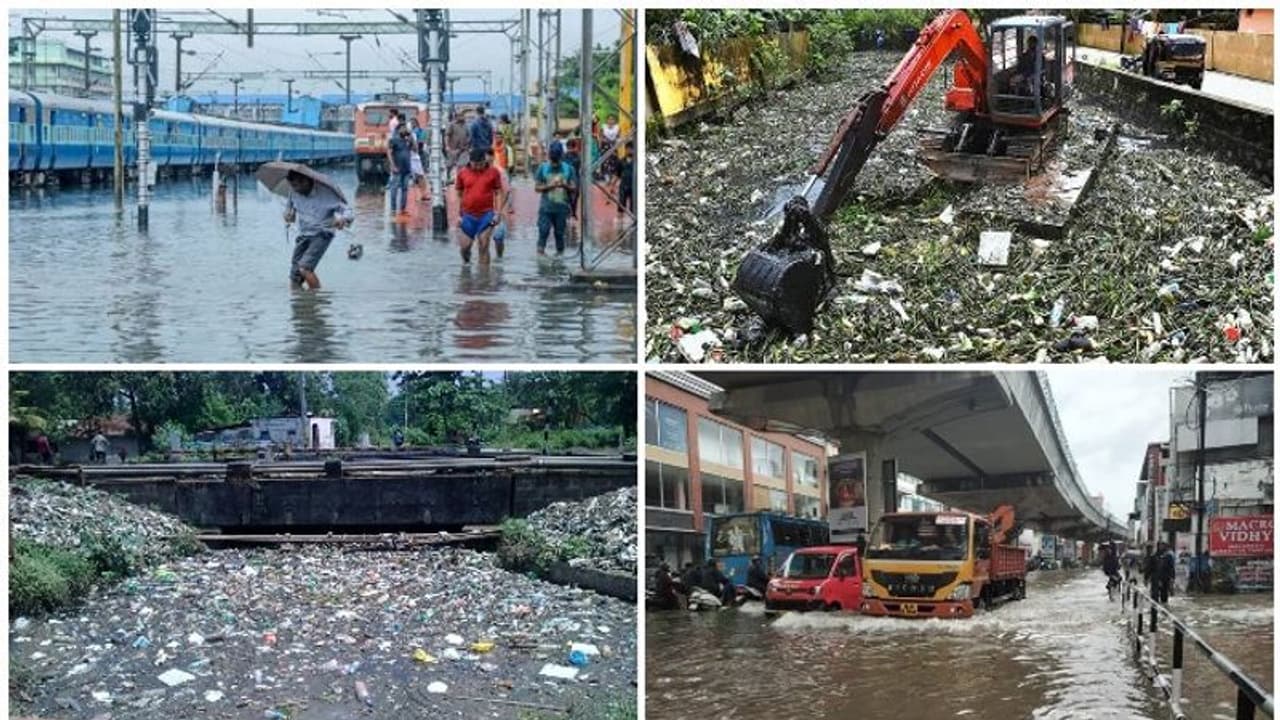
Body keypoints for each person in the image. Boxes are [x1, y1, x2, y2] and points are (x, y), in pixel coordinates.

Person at [283, 169, 353, 290]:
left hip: (322, 233)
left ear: (306, 181)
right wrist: (288, 216)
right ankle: (298, 299)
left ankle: (317, 297)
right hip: (304, 234)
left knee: (305, 268)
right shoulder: (293, 192)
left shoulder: (327, 194)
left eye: (296, 185)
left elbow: (348, 211)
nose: (294, 189)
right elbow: (289, 213)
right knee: (295, 275)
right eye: (292, 185)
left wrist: (342, 219)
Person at [454, 147, 506, 264]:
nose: (478, 167)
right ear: (470, 162)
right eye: (475, 165)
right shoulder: (462, 173)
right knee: (465, 247)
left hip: (487, 214)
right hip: (468, 215)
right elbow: (459, 194)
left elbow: (498, 192)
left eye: (481, 164)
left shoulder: (493, 172)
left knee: (484, 244)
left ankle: (484, 274)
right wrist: (459, 214)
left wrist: (498, 213)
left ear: (485, 161)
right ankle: (466, 266)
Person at [534, 141, 576, 256]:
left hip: (562, 209)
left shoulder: (569, 169)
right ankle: (540, 256)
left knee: (559, 234)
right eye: (553, 160)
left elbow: (574, 188)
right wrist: (550, 186)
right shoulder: (543, 168)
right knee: (543, 232)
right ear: (549, 156)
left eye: (556, 160)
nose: (554, 163)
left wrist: (564, 185)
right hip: (546, 209)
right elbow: (537, 188)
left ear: (561, 156)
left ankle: (560, 258)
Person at [386, 124, 415, 220]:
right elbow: (389, 153)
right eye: (404, 128)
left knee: (405, 189)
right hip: (397, 168)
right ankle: (393, 209)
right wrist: (393, 165)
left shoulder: (407, 140)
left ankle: (403, 209)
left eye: (406, 128)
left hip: (407, 169)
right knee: (394, 188)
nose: (406, 130)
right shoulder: (393, 140)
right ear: (399, 130)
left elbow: (415, 149)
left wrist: (411, 137)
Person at [446, 112, 471, 181]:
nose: (462, 117)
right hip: (453, 148)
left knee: (461, 164)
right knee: (450, 164)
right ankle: (448, 175)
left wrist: (468, 144)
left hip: (463, 149)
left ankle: (459, 179)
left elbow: (469, 135)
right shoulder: (452, 125)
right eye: (460, 116)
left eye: (463, 116)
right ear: (456, 117)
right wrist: (447, 146)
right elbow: (447, 135)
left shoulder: (466, 125)